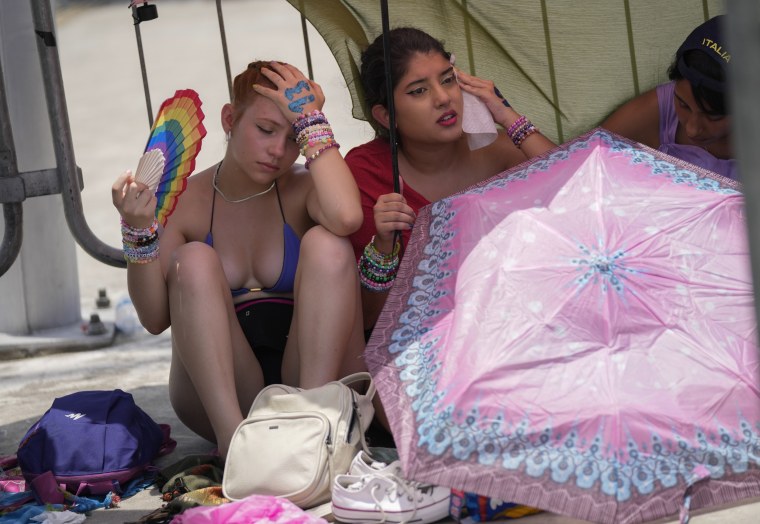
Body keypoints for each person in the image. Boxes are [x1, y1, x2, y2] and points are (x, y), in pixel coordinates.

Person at [111, 61, 366, 459]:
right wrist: (138, 229)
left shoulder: (303, 189)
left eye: (293, 136)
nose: (278, 151)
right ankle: (234, 443)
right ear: (230, 118)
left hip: (310, 378)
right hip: (223, 396)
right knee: (193, 258)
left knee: (330, 243)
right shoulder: (185, 201)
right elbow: (154, 318)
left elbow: (347, 216)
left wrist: (312, 121)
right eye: (265, 130)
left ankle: (315, 428)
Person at [347, 27, 557, 332]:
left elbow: (580, 191)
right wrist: (382, 249)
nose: (444, 98)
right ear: (386, 116)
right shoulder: (367, 173)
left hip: (519, 328)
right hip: (426, 346)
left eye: (448, 80)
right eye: (419, 90)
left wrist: (507, 115)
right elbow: (367, 320)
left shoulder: (500, 150)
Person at [602, 15, 734, 180]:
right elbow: (584, 157)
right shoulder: (662, 108)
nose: (692, 129)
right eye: (683, 104)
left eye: (713, 116)